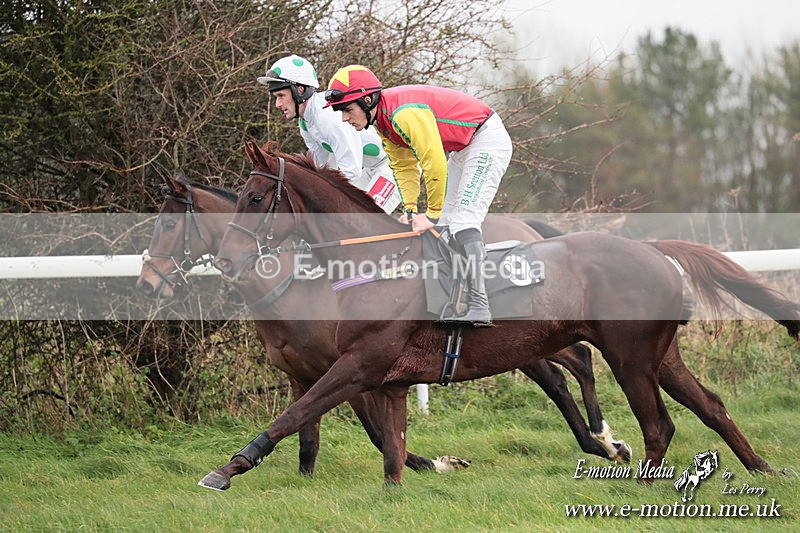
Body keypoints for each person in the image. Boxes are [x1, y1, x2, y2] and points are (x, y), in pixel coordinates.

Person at [324, 65, 512, 326]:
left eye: (347, 110)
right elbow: (404, 166)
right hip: (464, 148)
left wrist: (431, 216)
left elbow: (434, 163)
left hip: (485, 141)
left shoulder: (403, 114)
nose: (344, 118)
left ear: (367, 100)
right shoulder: (383, 123)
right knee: (448, 224)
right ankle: (459, 298)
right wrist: (411, 210)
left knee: (462, 221)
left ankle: (481, 305)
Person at [257, 55, 401, 214]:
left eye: (281, 96)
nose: (277, 104)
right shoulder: (305, 123)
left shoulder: (326, 117)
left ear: (300, 90)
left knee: (368, 221)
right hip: (368, 168)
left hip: (392, 166)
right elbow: (323, 169)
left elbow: (351, 171)